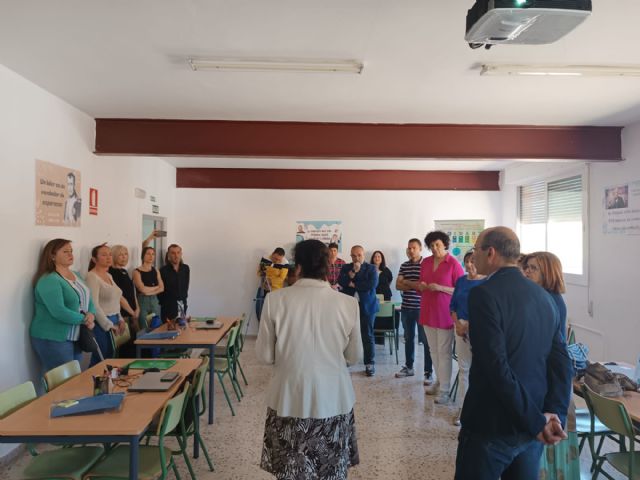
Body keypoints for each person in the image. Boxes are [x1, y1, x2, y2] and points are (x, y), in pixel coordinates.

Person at [455, 227, 573, 480]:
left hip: (493, 423)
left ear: (491, 253)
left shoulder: (483, 294)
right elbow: (561, 362)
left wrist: (536, 421)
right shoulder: (544, 297)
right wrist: (554, 414)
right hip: (533, 422)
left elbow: (496, 367)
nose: (472, 256)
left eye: (475, 250)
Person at [256, 239, 362, 479]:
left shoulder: (275, 301)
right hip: (334, 399)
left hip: (288, 399)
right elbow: (354, 356)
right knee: (331, 472)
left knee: (290, 471)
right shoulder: (348, 303)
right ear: (327, 266)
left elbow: (264, 355)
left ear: (298, 267)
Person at [523, 251, 578, 480]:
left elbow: (558, 359)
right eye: (526, 267)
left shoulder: (550, 300)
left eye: (533, 268)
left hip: (548, 382)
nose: (526, 272)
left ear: (548, 272)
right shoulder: (537, 297)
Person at [30, 239, 96, 372]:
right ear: (52, 256)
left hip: (75, 335)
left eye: (71, 251)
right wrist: (84, 319)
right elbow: (59, 311)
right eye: (65, 251)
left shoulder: (75, 274)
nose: (70, 254)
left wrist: (91, 314)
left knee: (75, 377)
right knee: (63, 383)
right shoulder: (49, 279)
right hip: (53, 337)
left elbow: (88, 299)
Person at [418, 231, 464, 404]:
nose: (434, 248)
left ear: (445, 244)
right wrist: (421, 286)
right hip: (427, 310)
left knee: (443, 352)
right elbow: (421, 283)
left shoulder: (453, 263)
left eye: (437, 244)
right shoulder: (427, 262)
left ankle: (444, 389)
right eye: (431, 245)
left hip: (445, 312)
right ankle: (439, 381)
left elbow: (461, 289)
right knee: (433, 350)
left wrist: (441, 287)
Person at [449, 250, 486, 426]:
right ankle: (464, 408)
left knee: (480, 371)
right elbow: (453, 305)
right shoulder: (461, 281)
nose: (470, 265)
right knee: (463, 368)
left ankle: (479, 409)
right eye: (467, 262)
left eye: (473, 261)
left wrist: (468, 326)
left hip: (480, 328)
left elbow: (487, 311)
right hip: (460, 328)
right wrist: (458, 324)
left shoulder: (488, 281)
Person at [395, 239, 433, 382]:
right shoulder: (404, 265)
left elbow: (423, 286)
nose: (411, 250)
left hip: (422, 308)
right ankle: (409, 367)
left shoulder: (426, 265)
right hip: (406, 308)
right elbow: (398, 286)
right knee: (408, 338)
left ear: (420, 249)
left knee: (425, 340)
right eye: (409, 248)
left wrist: (406, 282)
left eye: (414, 248)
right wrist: (414, 285)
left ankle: (428, 372)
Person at [338, 245, 379, 377]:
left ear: (363, 255)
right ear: (350, 256)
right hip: (349, 307)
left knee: (367, 335)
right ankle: (345, 361)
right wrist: (353, 273)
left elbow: (371, 285)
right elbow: (341, 281)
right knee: (345, 334)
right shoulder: (345, 267)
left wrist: (354, 280)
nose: (356, 258)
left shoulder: (371, 268)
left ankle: (369, 363)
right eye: (353, 255)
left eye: (359, 255)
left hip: (367, 306)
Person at [86, 244, 126, 365]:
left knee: (111, 359)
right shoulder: (92, 276)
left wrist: (120, 319)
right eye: (104, 255)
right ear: (94, 259)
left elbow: (115, 300)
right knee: (101, 361)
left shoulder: (109, 275)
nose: (108, 257)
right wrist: (109, 325)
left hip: (114, 319)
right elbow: (94, 305)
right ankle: (90, 384)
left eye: (109, 254)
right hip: (101, 323)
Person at [109, 245, 140, 334]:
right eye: (120, 255)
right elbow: (119, 297)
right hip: (124, 314)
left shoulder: (124, 271)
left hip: (133, 312)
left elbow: (132, 291)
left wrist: (137, 308)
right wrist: (132, 313)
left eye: (126, 254)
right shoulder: (112, 273)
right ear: (114, 256)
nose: (124, 257)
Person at [132, 246, 164, 329]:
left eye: (153, 254)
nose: (151, 256)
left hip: (154, 300)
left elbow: (162, 288)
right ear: (143, 256)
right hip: (142, 301)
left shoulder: (156, 270)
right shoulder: (136, 271)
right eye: (148, 254)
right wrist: (156, 287)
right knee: (144, 327)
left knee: (156, 326)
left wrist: (149, 292)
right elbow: (142, 289)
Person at [159, 244, 190, 322]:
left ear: (181, 254)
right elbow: (160, 291)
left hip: (182, 304)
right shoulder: (163, 270)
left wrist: (184, 299)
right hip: (168, 307)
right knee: (168, 331)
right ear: (168, 255)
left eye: (178, 252)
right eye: (173, 253)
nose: (176, 255)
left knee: (182, 330)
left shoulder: (185, 268)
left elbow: (186, 286)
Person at [256, 247, 289, 320]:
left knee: (273, 313)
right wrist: (264, 279)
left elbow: (282, 278)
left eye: (279, 260)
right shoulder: (265, 258)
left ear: (282, 258)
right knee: (259, 310)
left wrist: (270, 281)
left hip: (275, 290)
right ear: (273, 253)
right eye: (275, 258)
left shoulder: (285, 263)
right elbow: (259, 272)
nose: (276, 261)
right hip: (263, 287)